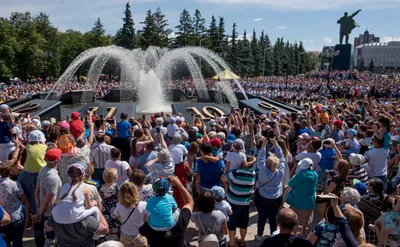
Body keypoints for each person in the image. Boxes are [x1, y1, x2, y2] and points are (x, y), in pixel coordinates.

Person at [139, 176, 194, 247]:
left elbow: (141, 230)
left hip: (154, 228)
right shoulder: (180, 222)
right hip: (172, 224)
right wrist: (179, 184)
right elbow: (189, 202)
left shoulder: (148, 227)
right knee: (178, 210)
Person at [221, 153, 256, 247]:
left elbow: (223, 179)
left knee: (232, 223)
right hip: (245, 202)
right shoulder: (253, 174)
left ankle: (231, 243)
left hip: (233, 202)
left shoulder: (235, 172)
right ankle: (242, 241)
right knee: (244, 223)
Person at [254, 138, 285, 241]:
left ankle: (259, 235)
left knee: (262, 216)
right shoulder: (280, 171)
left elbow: (260, 157)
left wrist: (263, 145)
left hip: (262, 197)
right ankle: (273, 234)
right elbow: (282, 157)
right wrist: (276, 144)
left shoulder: (262, 170)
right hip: (276, 198)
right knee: (273, 217)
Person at [44, 201, 109, 247]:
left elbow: (48, 228)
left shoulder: (56, 216)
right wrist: (98, 211)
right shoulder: (87, 219)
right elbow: (105, 230)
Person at [33, 148, 62, 247]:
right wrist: (40, 213)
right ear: (58, 160)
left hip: (40, 210)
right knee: (51, 239)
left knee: (39, 235)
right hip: (49, 213)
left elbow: (37, 191)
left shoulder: (42, 170)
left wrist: (38, 208)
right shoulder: (54, 178)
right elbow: (48, 200)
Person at [0, 159, 31, 247]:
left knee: (5, 240)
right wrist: (28, 215)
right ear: (10, 172)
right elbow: (24, 199)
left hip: (2, 217)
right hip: (16, 216)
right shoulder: (15, 184)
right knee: (17, 240)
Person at [286, 158, 318, 237]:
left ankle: (294, 234)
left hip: (298, 200)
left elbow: (290, 183)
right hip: (310, 201)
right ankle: (303, 232)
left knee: (296, 218)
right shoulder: (315, 175)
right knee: (306, 218)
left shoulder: (299, 175)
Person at [18, 130, 47, 217]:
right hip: (42, 174)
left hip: (27, 174)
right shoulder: (44, 147)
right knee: (42, 194)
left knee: (31, 195)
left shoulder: (28, 147)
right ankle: (42, 212)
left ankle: (32, 213)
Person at [112, 182, 147, 247]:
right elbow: (146, 219)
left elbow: (116, 215)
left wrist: (122, 219)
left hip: (125, 234)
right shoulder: (143, 205)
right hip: (139, 234)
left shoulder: (119, 205)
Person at [97, 168, 120, 243]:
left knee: (103, 241)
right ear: (115, 177)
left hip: (102, 218)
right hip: (115, 218)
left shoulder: (98, 188)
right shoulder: (119, 188)